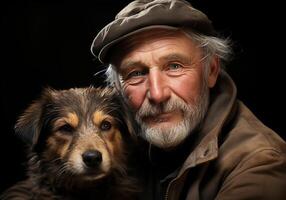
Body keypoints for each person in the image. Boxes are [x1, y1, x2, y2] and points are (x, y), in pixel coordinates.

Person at [90, 0, 286, 199]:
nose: (157, 94)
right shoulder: (115, 146)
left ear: (211, 71)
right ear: (117, 88)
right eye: (136, 73)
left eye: (174, 66)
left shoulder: (258, 162)